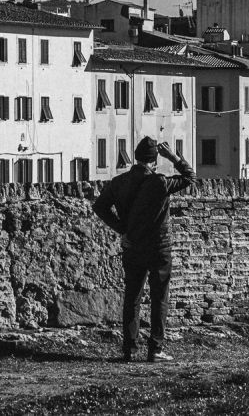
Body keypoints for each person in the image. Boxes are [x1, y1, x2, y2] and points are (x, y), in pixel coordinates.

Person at [92, 136, 195, 362]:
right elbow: (190, 177)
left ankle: (129, 349)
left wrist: (123, 230)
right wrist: (175, 157)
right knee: (159, 298)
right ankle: (155, 349)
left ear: (136, 158)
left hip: (133, 246)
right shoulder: (159, 182)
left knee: (133, 297)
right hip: (159, 247)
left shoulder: (119, 182)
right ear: (154, 160)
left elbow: (99, 207)